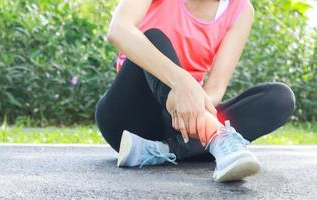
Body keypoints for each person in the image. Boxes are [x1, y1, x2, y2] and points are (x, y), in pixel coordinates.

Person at [95, 0, 296, 182]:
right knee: (153, 37)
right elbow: (119, 30)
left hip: (180, 127)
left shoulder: (240, 10)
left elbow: (216, 87)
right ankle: (216, 138)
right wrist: (183, 83)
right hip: (129, 118)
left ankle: (166, 150)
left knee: (279, 98)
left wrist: (192, 107)